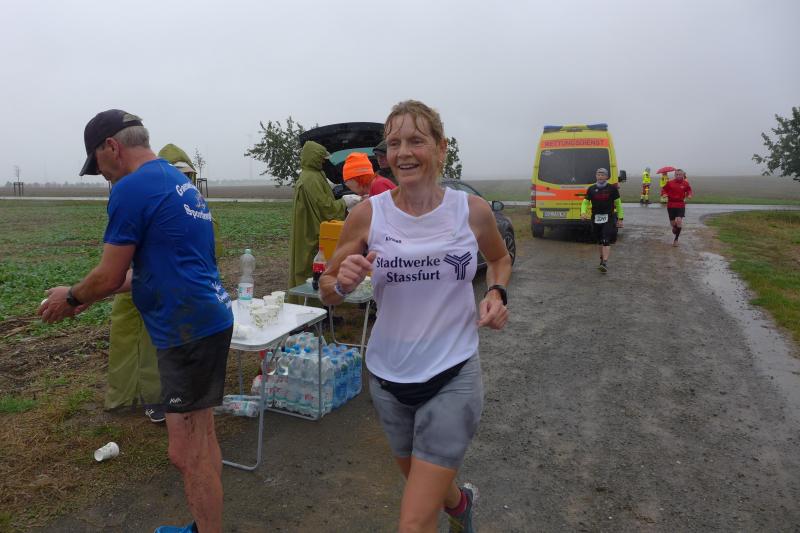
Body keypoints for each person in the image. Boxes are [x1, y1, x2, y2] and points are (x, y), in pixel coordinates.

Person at [320, 100, 511, 533]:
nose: (403, 152)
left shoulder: (471, 211)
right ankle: (461, 506)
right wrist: (342, 283)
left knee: (413, 520)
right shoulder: (368, 214)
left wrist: (496, 292)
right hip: (388, 380)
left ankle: (451, 510)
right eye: (394, 143)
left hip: (452, 374)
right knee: (428, 489)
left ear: (441, 148)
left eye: (416, 141)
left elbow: (500, 259)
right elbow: (327, 287)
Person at [38, 109, 233, 533]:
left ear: (112, 146)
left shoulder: (132, 188)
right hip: (207, 319)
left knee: (186, 453)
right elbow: (156, 268)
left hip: (186, 331)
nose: (102, 176)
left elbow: (109, 274)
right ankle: (204, 525)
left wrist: (70, 297)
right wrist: (86, 296)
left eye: (98, 166)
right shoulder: (177, 181)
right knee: (203, 438)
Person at [104, 144, 202, 424]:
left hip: (169, 287)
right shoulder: (141, 197)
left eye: (186, 175)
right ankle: (129, 398)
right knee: (130, 342)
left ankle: (157, 397)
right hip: (137, 283)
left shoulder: (191, 204)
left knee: (159, 345)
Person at [288, 140, 360, 300]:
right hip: (311, 228)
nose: (323, 162)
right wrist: (344, 202)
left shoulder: (312, 174)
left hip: (308, 225)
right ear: (313, 158)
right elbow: (325, 208)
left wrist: (329, 187)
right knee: (310, 265)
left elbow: (321, 197)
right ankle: (312, 306)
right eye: (321, 158)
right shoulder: (311, 178)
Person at [581, 168, 624, 273]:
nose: (600, 176)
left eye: (602, 175)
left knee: (606, 239)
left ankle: (604, 262)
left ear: (606, 177)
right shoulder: (591, 189)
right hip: (595, 217)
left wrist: (620, 218)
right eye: (598, 175)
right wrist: (583, 212)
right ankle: (601, 258)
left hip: (609, 217)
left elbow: (618, 204)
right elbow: (585, 202)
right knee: (599, 240)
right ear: (596, 176)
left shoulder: (612, 189)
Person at [661, 168, 693, 246]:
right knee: (673, 223)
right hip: (671, 204)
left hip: (680, 204)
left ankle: (676, 240)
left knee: (679, 221)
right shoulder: (670, 183)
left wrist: (689, 194)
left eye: (680, 174)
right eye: (677, 174)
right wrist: (664, 194)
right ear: (675, 175)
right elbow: (663, 189)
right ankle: (675, 227)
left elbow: (689, 190)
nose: (678, 176)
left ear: (683, 175)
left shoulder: (685, 183)